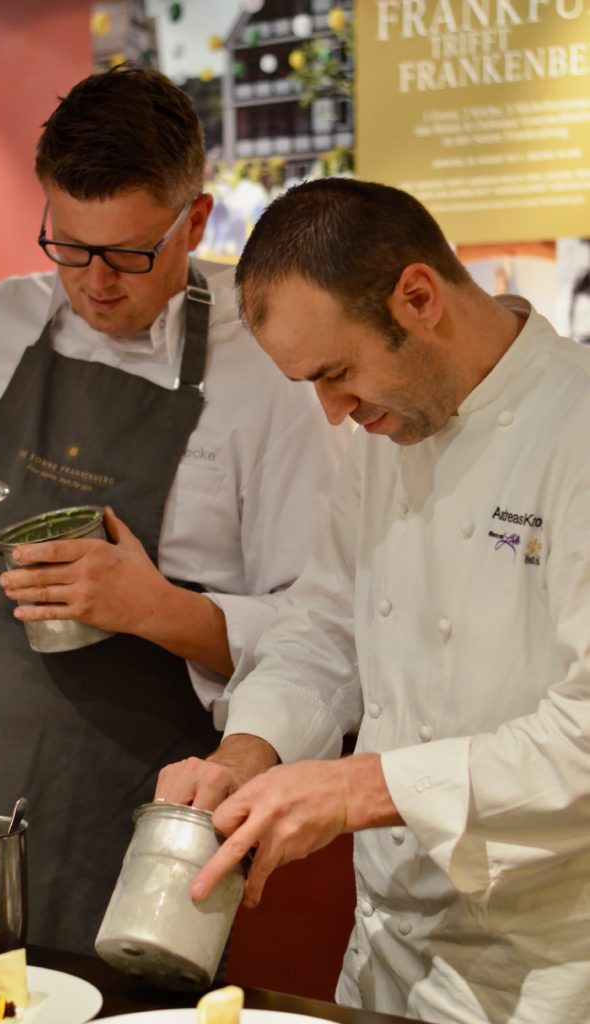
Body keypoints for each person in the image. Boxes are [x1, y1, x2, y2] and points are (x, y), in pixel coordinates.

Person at [0, 69, 350, 953]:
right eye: (68, 247)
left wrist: (158, 611)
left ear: (196, 220)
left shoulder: (265, 373)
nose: (94, 282)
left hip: (119, 816)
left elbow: (322, 633)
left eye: (129, 253)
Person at [156, 178, 590, 1023]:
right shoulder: (385, 426)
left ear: (419, 297)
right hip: (388, 944)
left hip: (550, 961)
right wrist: (248, 752)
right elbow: (324, 621)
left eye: (339, 373)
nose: (332, 411)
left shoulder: (575, 430)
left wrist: (358, 790)